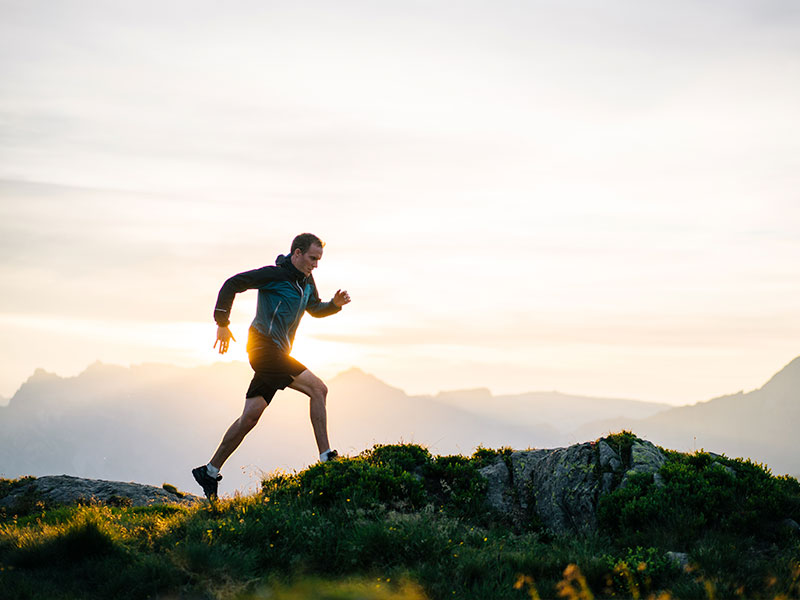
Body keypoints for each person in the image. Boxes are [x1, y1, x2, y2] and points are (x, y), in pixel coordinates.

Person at [192, 233, 351, 500]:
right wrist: (222, 322)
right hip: (264, 349)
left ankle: (209, 471)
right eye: (313, 258)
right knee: (318, 389)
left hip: (278, 352)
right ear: (297, 253)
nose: (316, 265)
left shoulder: (306, 282)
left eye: (319, 260)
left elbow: (314, 308)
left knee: (250, 417)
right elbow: (232, 283)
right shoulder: (274, 275)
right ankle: (327, 458)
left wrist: (333, 306)